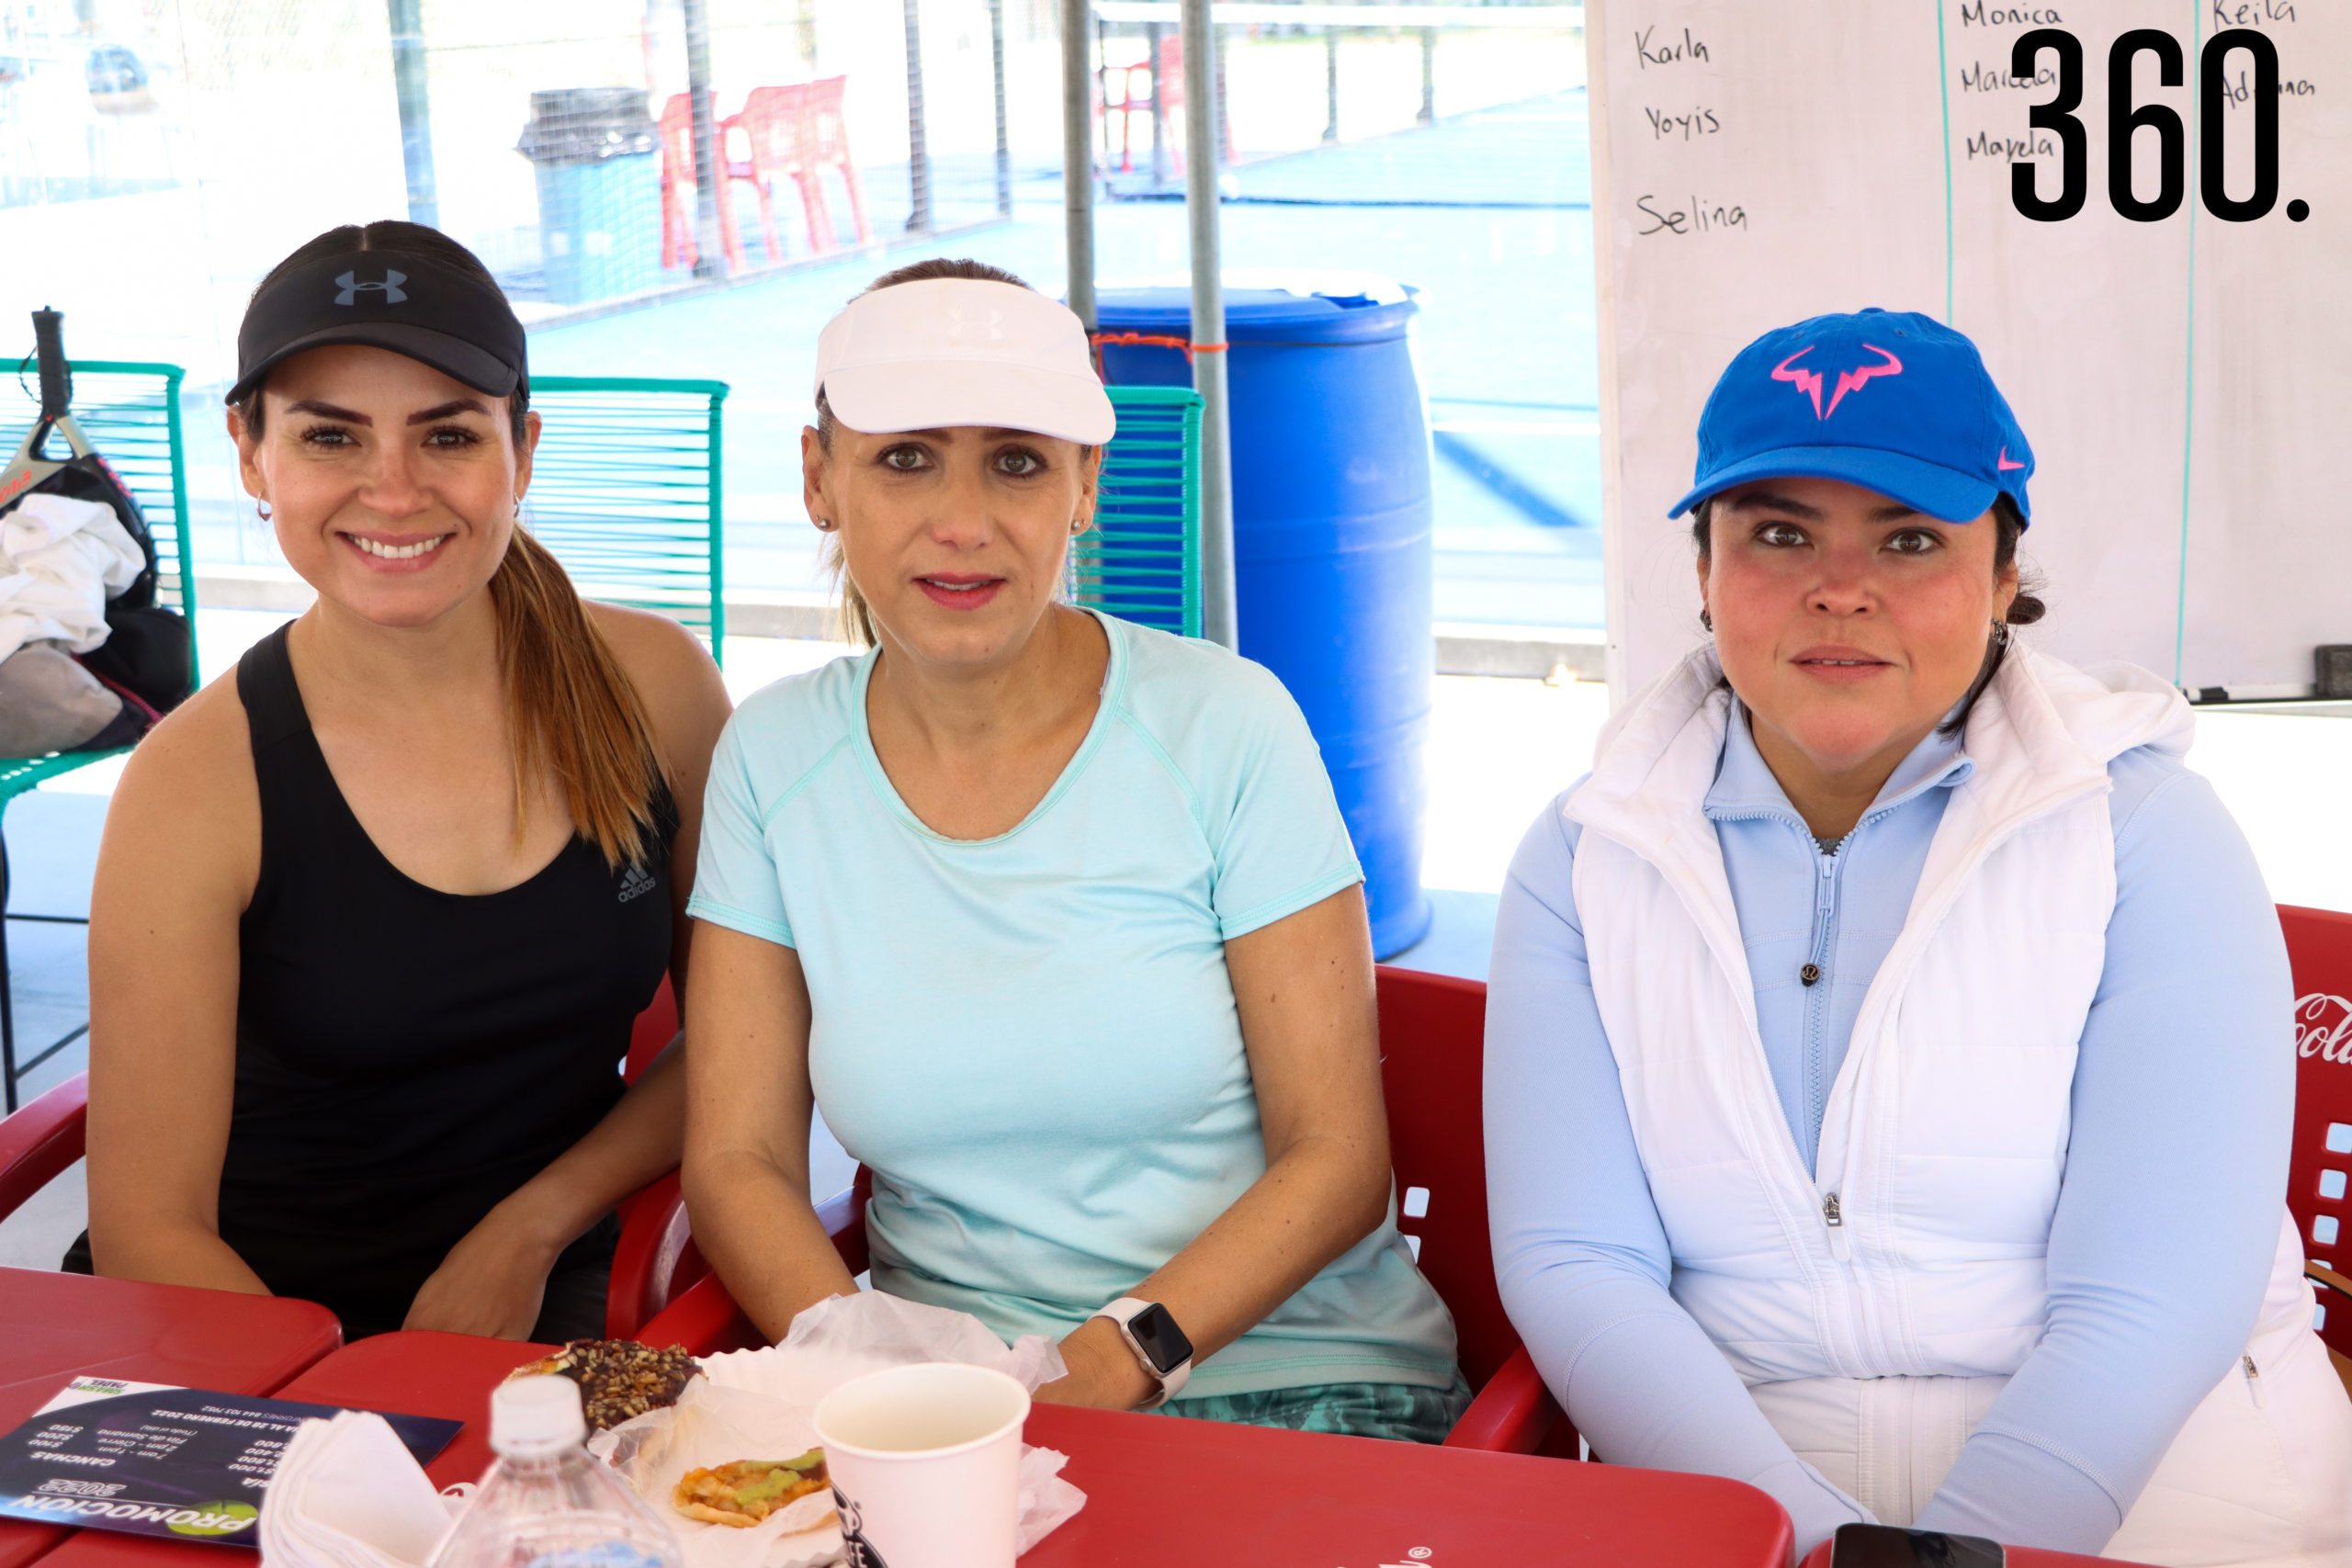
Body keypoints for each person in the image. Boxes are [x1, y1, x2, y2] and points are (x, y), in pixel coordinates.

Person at [1485, 309, 2352, 1562]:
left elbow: (2154, 1296)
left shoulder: (2145, 830)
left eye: (1910, 538)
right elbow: (1578, 1261)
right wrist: (1801, 1538)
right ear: (1702, 568)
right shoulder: (1585, 854)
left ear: (2004, 576)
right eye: (1779, 533)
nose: (1842, 588)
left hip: (2173, 1458)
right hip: (1747, 1459)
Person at [681, 259, 1464, 1438]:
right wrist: (877, 1384)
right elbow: (737, 1159)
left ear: (1084, 486)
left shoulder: (1224, 725)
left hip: (1287, 1375)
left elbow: (1339, 1158)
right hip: (932, 1391)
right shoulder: (773, 757)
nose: (963, 521)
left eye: (1016, 460)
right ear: (818, 478)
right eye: (904, 456)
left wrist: (1112, 1366)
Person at [78, 221, 732, 1341]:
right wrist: (354, 1422)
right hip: (248, 1323)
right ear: (250, 456)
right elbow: (151, 1230)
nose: (392, 491)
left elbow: (738, 1037)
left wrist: (527, 1229)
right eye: (332, 437)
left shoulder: (652, 690)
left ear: (522, 450)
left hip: (547, 1285)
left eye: (447, 436)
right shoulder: (196, 783)